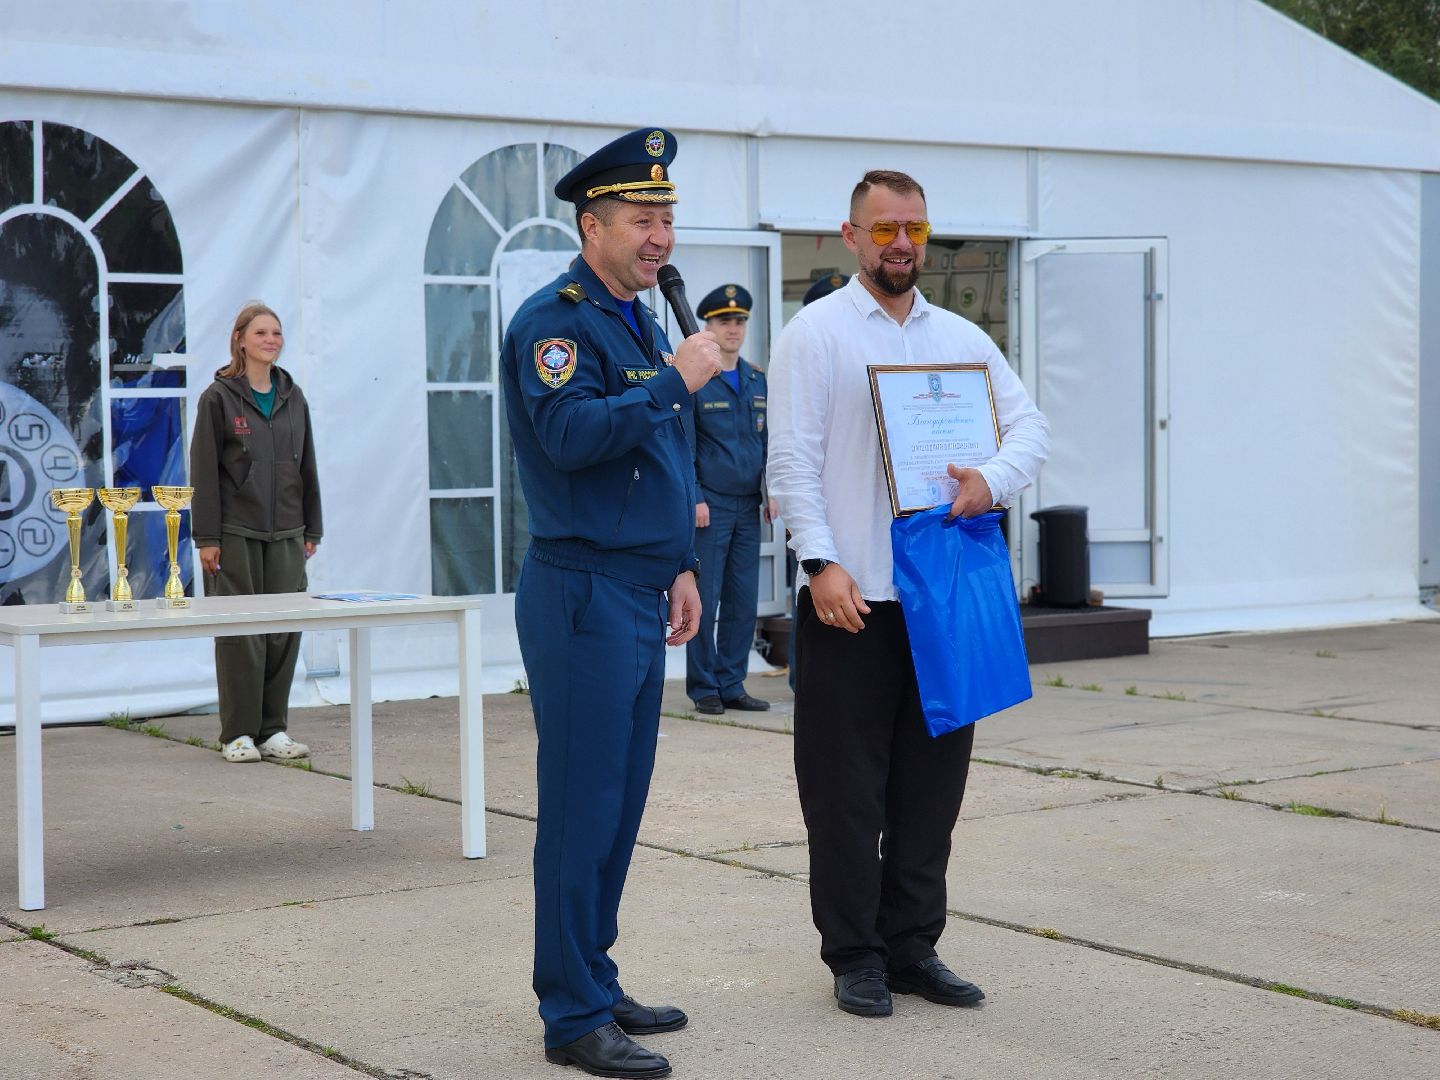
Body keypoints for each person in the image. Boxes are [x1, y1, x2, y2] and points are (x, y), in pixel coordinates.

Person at [768, 170, 1050, 1018]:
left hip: (946, 602)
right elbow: (792, 462)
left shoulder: (961, 339)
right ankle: (855, 955)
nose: (901, 244)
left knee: (932, 793)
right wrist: (820, 563)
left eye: (915, 230)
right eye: (885, 228)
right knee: (845, 797)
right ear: (851, 236)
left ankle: (913, 946)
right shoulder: (816, 335)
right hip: (852, 601)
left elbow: (1029, 428)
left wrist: (991, 479)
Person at [500, 127, 721, 1080]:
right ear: (591, 226)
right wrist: (676, 380)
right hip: (581, 592)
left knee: (619, 808)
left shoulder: (637, 320)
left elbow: (660, 457)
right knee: (580, 809)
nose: (659, 236)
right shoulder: (555, 325)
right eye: (641, 218)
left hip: (639, 585)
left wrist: (681, 563)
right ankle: (571, 1015)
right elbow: (572, 437)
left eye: (667, 218)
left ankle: (594, 973)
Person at [190, 302, 322, 765]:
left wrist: (312, 527)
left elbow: (306, 463)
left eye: (277, 333)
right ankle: (238, 734)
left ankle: (272, 730)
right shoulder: (218, 398)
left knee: (283, 632)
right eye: (261, 333)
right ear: (240, 339)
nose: (271, 340)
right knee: (240, 634)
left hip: (287, 532)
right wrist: (207, 537)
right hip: (235, 532)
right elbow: (204, 470)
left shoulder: (293, 396)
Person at [685, 283, 776, 716]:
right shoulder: (698, 378)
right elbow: (684, 444)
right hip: (712, 506)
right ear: (709, 325)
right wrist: (695, 497)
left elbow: (767, 441)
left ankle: (731, 683)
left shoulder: (757, 379)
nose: (733, 329)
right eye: (724, 321)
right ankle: (704, 686)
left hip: (747, 505)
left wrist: (771, 492)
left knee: (742, 599)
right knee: (705, 598)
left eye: (739, 321)